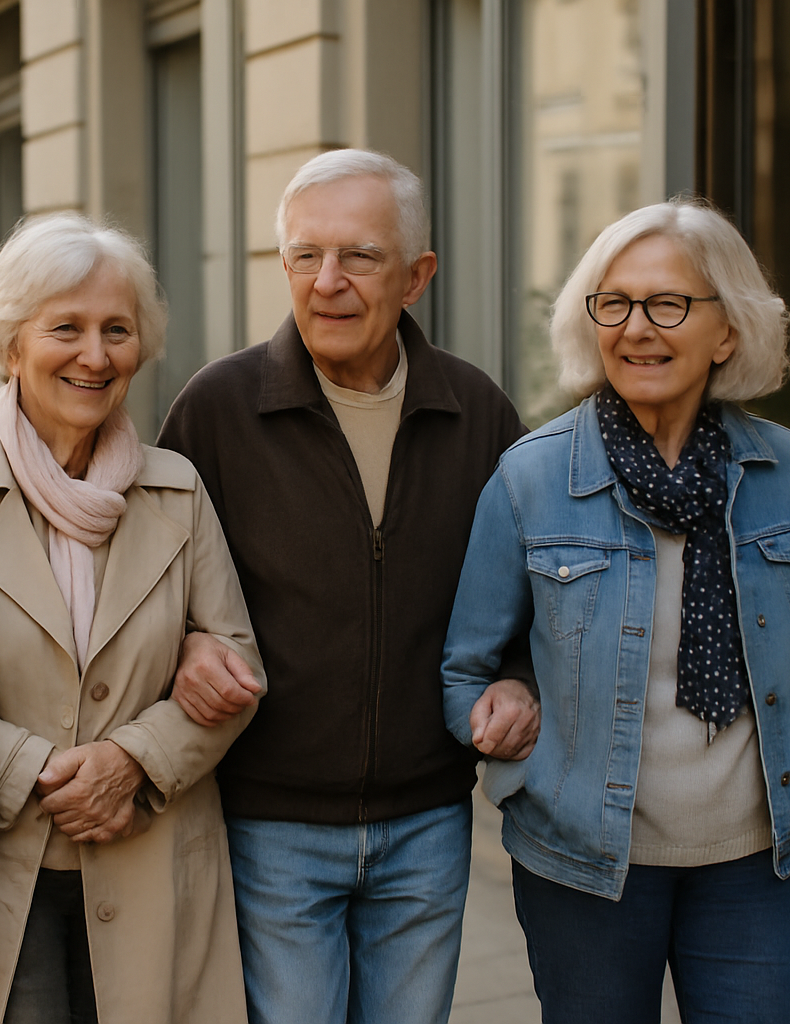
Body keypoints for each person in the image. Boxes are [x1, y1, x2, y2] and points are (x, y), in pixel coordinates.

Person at [441, 198, 790, 1023]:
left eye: (668, 305)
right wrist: (508, 738)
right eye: (615, 304)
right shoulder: (531, 477)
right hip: (584, 860)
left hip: (756, 854)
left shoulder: (782, 465)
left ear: (727, 332)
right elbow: (465, 672)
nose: (637, 328)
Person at [157, 149, 539, 1024]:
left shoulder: (478, 414)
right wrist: (184, 646)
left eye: (359, 256)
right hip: (270, 829)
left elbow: (534, 593)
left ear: (417, 276)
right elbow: (151, 587)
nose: (326, 282)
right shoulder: (217, 409)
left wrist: (519, 677)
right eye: (304, 255)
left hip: (430, 825)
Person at [0, 213, 263, 1024]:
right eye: (67, 328)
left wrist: (132, 759)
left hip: (152, 867)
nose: (96, 356)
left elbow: (239, 667)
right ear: (11, 344)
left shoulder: (177, 490)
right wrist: (37, 770)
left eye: (117, 331)